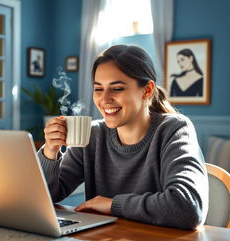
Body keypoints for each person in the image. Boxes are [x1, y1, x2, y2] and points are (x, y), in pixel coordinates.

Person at [38, 45, 208, 230]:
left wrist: (112, 205)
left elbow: (187, 207)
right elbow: (45, 197)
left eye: (117, 88)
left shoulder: (173, 129)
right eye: (98, 89)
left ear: (147, 90)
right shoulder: (93, 134)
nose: (104, 99)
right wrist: (50, 151)